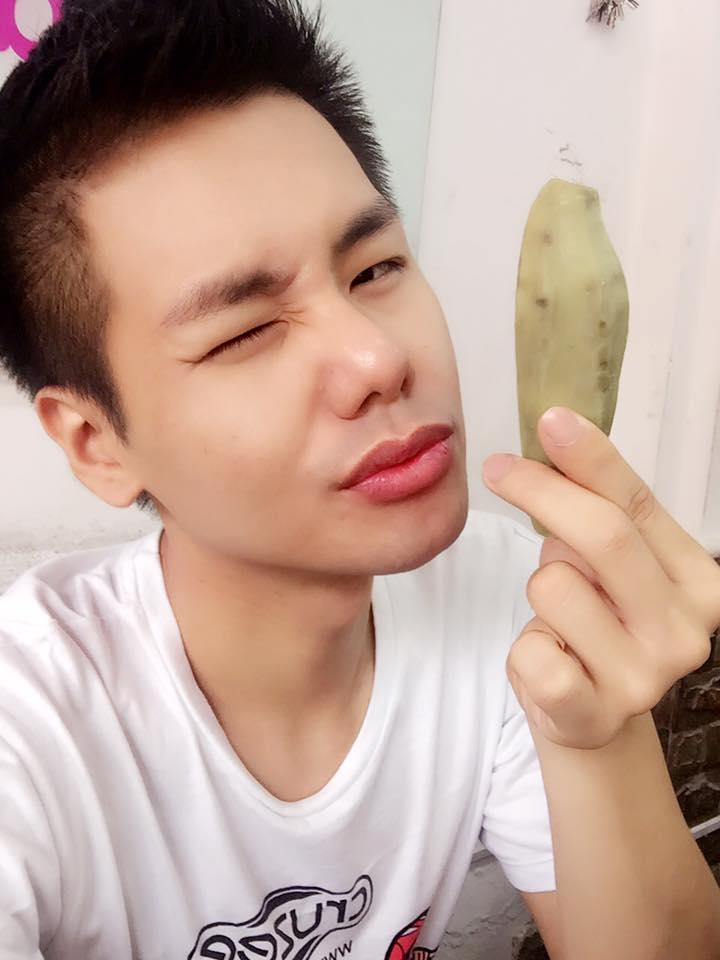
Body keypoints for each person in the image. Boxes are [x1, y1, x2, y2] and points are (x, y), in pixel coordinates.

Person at [7, 3, 720, 960]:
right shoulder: (31, 726)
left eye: (376, 268)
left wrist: (596, 734)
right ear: (98, 443)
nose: (380, 358)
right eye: (246, 331)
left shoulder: (510, 596)